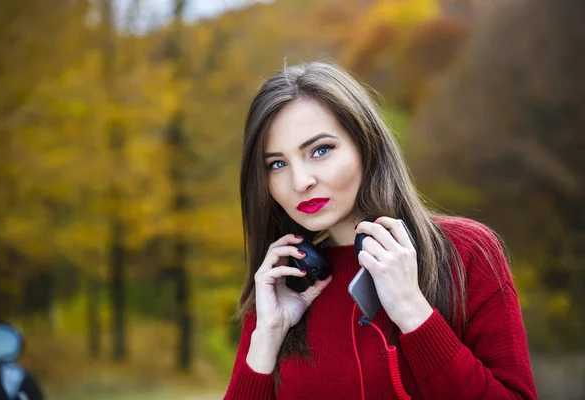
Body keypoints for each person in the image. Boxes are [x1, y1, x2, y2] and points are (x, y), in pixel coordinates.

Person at [223, 61, 537, 400]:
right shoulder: (283, 282)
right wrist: (267, 336)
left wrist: (412, 311)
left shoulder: (466, 253)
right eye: (277, 164)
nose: (301, 182)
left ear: (365, 145)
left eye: (320, 150)